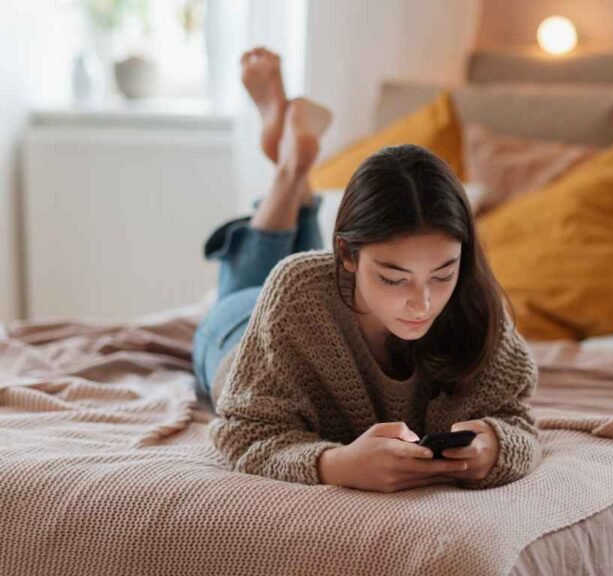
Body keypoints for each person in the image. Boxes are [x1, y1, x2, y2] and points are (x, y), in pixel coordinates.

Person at [193, 47, 541, 494]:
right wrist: (336, 465)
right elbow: (243, 432)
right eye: (394, 278)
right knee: (245, 286)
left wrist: (494, 447)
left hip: (324, 288)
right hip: (236, 336)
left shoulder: (474, 299)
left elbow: (519, 422)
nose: (424, 302)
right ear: (347, 255)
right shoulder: (296, 290)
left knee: (302, 277)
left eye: (442, 273)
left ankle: (293, 159)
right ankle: (290, 170)